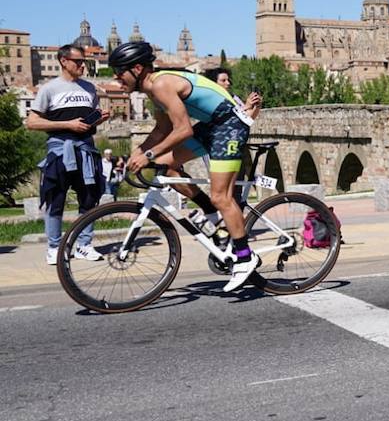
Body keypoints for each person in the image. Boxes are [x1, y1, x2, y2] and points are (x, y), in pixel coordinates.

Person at [110, 42, 259, 290]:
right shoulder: (153, 91)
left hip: (230, 125)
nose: (116, 79)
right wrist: (136, 154)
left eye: (119, 72)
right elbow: (162, 129)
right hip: (212, 125)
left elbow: (183, 129)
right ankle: (210, 212)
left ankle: (245, 257)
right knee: (165, 166)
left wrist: (147, 153)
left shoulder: (161, 84)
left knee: (222, 196)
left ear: (137, 69)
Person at [25, 44, 110, 266]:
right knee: (56, 198)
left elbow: (87, 122)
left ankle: (84, 244)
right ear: (64, 61)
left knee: (89, 198)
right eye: (78, 61)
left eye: (84, 61)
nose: (82, 65)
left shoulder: (90, 89)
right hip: (59, 149)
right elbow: (32, 122)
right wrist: (67, 124)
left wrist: (98, 119)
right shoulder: (49, 89)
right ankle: (54, 247)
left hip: (86, 149)